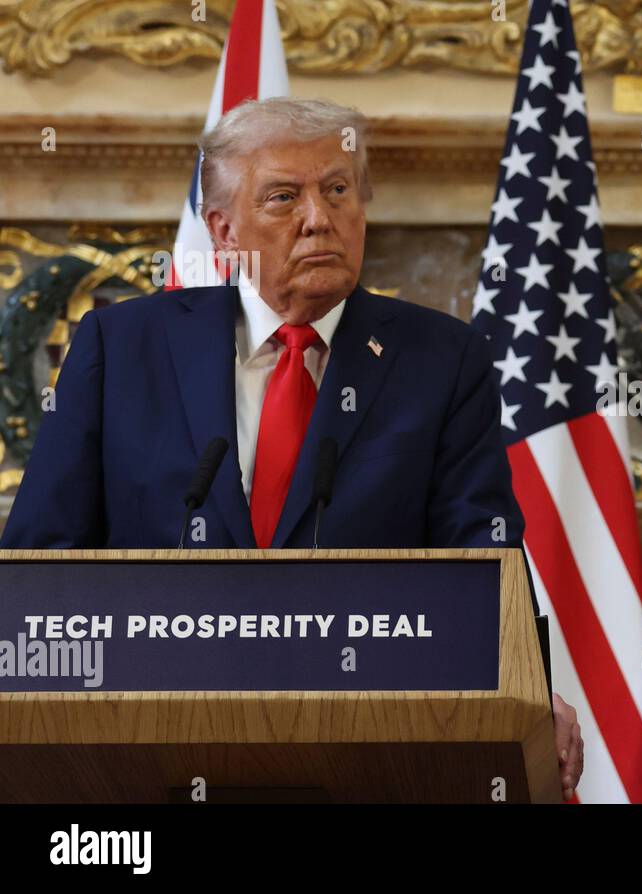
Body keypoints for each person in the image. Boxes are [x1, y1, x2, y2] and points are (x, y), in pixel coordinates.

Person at [0, 97, 583, 798]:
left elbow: (483, 558)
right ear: (223, 231)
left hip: (372, 764)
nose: (319, 217)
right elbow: (45, 561)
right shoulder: (122, 347)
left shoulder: (443, 360)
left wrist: (527, 688)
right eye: (284, 197)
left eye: (337, 189)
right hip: (146, 766)